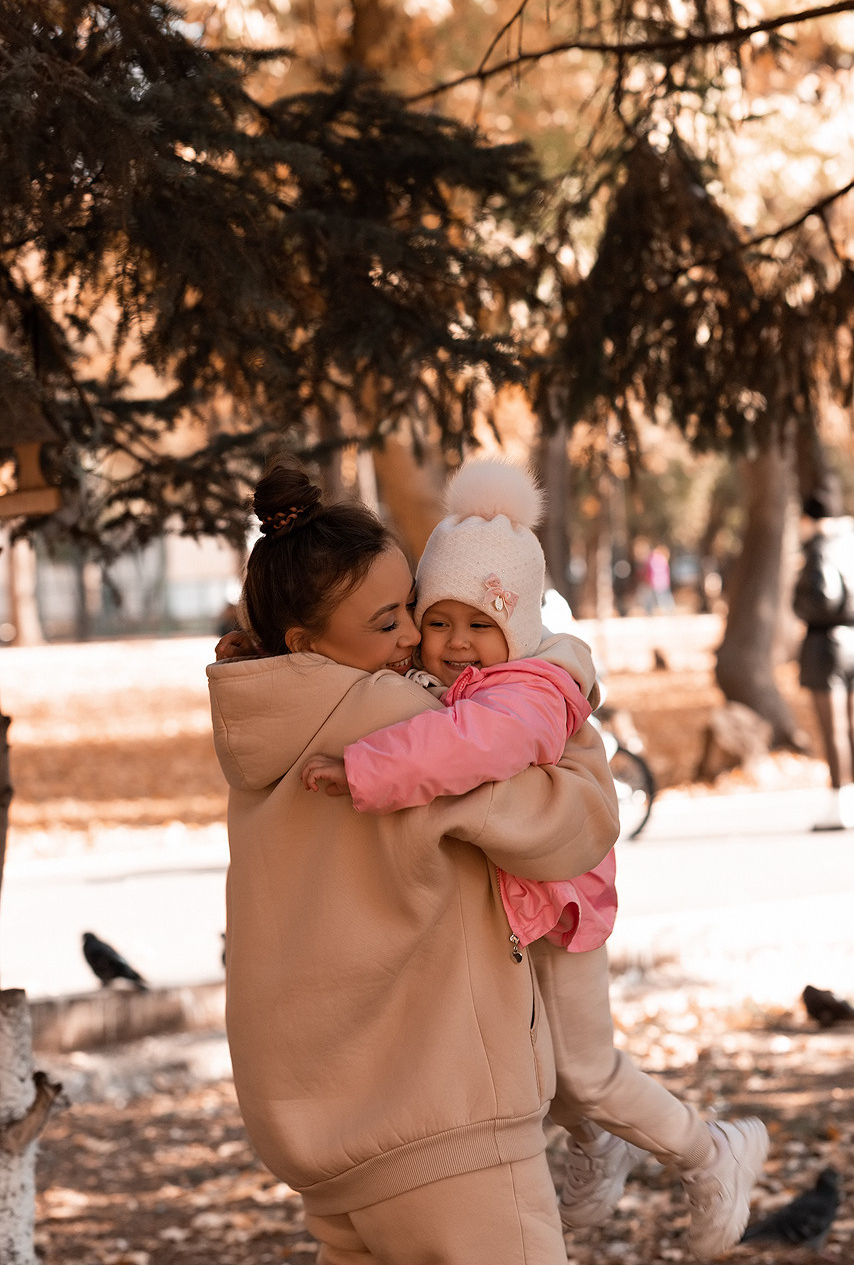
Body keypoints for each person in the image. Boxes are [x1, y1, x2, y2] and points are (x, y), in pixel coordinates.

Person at [302, 457, 769, 1261]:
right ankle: (601, 1139)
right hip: (516, 906)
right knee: (535, 1075)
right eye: (436, 619)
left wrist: (368, 769)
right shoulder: (460, 678)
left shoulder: (526, 691)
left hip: (561, 902)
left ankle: (712, 1151)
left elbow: (473, 745)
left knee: (583, 1069)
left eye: (478, 624)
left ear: (514, 626)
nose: (452, 642)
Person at [207, 454, 620, 1265]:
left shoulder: (263, 727)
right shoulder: (400, 721)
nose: (413, 639)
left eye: (410, 609)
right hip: (446, 1128)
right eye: (389, 621)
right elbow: (574, 825)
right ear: (307, 639)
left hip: (328, 1144)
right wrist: (564, 677)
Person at [793, 474, 854, 831]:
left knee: (833, 728)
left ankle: (838, 801)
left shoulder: (817, 549)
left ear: (808, 519)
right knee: (850, 726)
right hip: (852, 640)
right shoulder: (849, 543)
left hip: (824, 644)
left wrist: (797, 604)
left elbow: (823, 598)